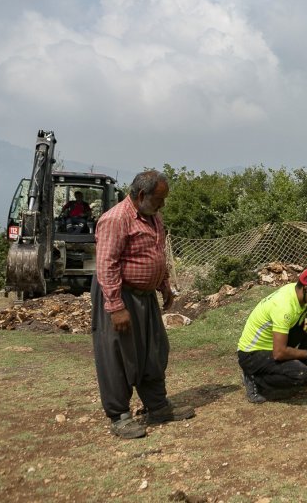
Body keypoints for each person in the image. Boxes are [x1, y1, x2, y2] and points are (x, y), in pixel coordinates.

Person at [91, 170, 195, 439]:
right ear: (141, 195)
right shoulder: (115, 219)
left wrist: (164, 284)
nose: (163, 205)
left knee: (154, 351)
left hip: (146, 296)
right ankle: (120, 416)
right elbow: (106, 265)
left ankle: (157, 407)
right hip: (121, 295)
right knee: (119, 355)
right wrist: (116, 306)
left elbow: (156, 252)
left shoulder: (153, 216)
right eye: (159, 199)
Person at [237, 266, 307, 403]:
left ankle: (301, 375)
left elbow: (300, 312)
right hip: (252, 354)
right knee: (299, 373)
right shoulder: (284, 307)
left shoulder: (295, 291)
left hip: (271, 344)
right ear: (306, 289)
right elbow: (279, 353)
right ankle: (254, 378)